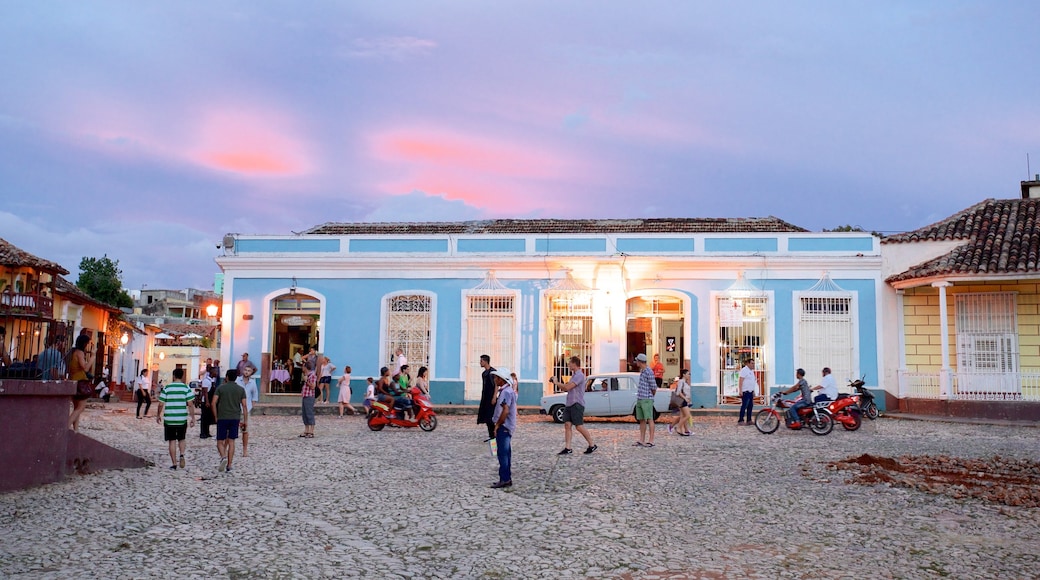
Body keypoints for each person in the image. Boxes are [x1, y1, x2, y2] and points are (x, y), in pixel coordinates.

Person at [548, 356, 597, 455]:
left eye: (570, 363)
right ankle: (568, 448)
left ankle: (592, 444)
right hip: (569, 403)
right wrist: (558, 383)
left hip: (577, 404)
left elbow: (567, 387)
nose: (568, 365)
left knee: (579, 426)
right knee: (567, 425)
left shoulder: (579, 375)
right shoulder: (574, 375)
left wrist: (557, 382)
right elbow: (566, 387)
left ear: (574, 364)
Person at [156, 368, 196, 470]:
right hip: (182, 418)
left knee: (172, 441)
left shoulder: (167, 388)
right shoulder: (186, 388)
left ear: (173, 376)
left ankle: (174, 464)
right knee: (182, 438)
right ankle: (182, 454)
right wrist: (193, 418)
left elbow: (161, 404)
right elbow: (190, 404)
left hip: (169, 419)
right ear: (182, 376)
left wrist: (158, 415)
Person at [211, 369, 247, 473]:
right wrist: (245, 420)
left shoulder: (221, 388)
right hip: (235, 418)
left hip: (222, 417)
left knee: (220, 441)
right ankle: (230, 465)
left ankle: (223, 457)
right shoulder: (240, 389)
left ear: (226, 377)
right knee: (231, 441)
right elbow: (244, 405)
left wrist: (216, 416)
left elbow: (213, 403)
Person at [490, 367, 517, 489]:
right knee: (506, 453)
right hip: (506, 426)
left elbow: (505, 411)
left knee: (503, 453)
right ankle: (506, 477)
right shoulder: (507, 391)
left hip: (504, 426)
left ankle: (504, 478)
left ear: (502, 379)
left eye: (496, 377)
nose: (495, 379)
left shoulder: (506, 392)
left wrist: (497, 425)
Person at [66, 334, 95, 431]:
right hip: (80, 381)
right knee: (81, 408)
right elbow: (85, 368)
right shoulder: (80, 353)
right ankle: (65, 427)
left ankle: (75, 431)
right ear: (85, 344)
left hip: (73, 380)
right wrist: (93, 356)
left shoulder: (73, 352)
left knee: (76, 408)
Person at [632, 353, 657, 447]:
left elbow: (654, 386)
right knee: (641, 419)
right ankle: (641, 440)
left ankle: (651, 440)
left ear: (640, 361)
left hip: (646, 398)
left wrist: (651, 397)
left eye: (637, 361)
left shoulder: (648, 371)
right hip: (640, 398)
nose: (636, 363)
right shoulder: (642, 371)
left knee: (650, 419)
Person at [236, 365, 259, 456]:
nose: (246, 372)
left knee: (245, 430)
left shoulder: (252, 383)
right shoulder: (237, 381)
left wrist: (251, 405)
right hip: (236, 408)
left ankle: (245, 450)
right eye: (245, 370)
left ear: (251, 372)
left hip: (246, 409)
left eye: (249, 370)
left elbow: (255, 394)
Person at [477, 354, 496, 440]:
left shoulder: (493, 372)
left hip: (491, 397)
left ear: (485, 361)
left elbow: (496, 385)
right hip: (485, 397)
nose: (480, 362)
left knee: (491, 417)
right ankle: (491, 435)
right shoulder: (484, 373)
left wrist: (494, 397)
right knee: (486, 417)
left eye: (481, 361)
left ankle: (494, 434)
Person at [669, 369, 693, 436]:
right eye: (688, 374)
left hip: (686, 401)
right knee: (687, 415)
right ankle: (678, 427)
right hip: (682, 401)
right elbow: (678, 392)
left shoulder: (685, 382)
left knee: (682, 416)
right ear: (684, 374)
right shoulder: (681, 381)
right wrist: (685, 398)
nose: (689, 375)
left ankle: (683, 430)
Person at [299, 360, 317, 438]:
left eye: (303, 366)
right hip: (305, 395)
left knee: (309, 413)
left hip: (309, 396)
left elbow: (313, 387)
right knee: (304, 413)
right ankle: (306, 430)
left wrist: (306, 381)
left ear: (306, 367)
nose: (302, 368)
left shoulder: (312, 375)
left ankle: (311, 431)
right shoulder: (306, 375)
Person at [737, 358, 757, 425]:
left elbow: (752, 381)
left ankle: (749, 420)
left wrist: (753, 390)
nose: (753, 365)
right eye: (752, 363)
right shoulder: (744, 370)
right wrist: (740, 390)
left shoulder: (751, 371)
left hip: (750, 391)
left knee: (750, 406)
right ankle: (741, 420)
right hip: (745, 391)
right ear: (747, 363)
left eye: (753, 363)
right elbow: (741, 380)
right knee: (744, 406)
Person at [198, 370, 215, 438]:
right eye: (215, 371)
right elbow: (205, 392)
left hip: (210, 401)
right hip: (205, 402)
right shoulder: (206, 381)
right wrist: (207, 401)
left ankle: (207, 432)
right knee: (204, 418)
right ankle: (203, 433)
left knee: (208, 418)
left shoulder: (212, 380)